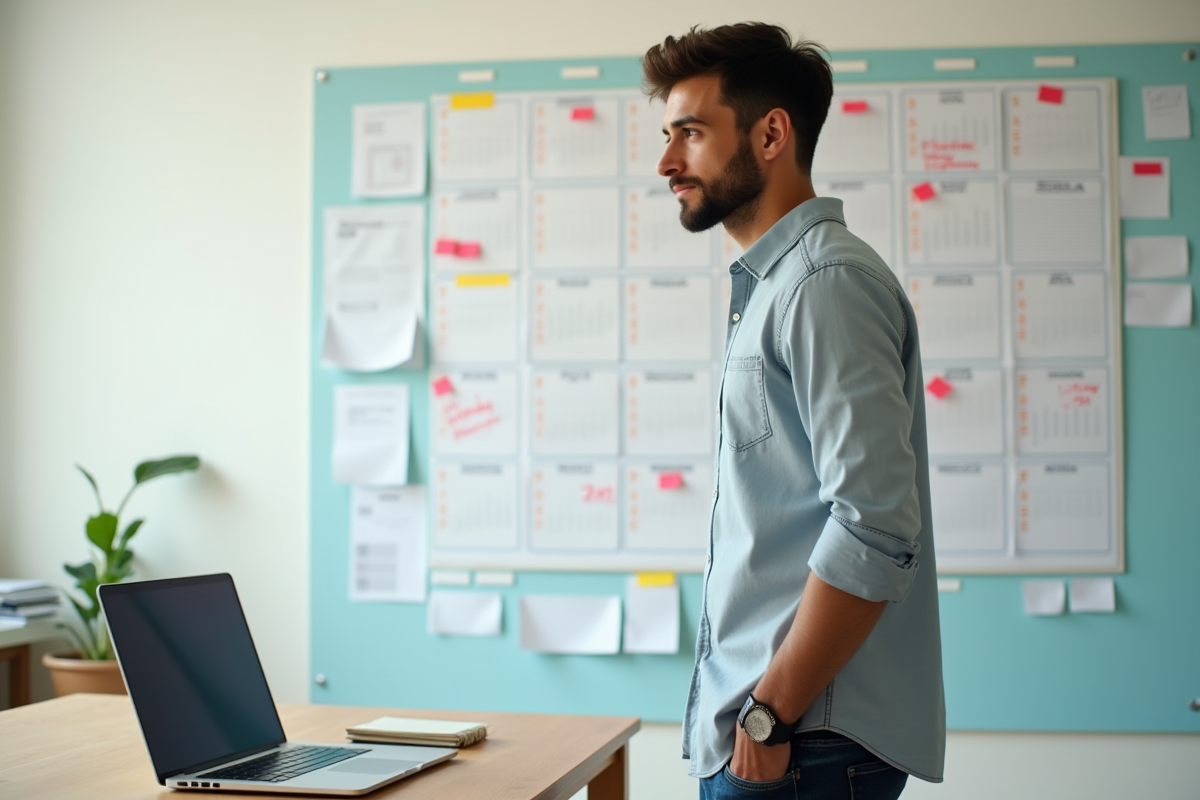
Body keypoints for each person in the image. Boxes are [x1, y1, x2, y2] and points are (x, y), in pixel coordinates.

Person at [642, 23, 946, 800]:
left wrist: (769, 714)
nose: (667, 163)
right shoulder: (778, 288)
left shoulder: (822, 286)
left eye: (692, 133)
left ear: (772, 132)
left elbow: (875, 525)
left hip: (799, 742)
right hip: (783, 736)